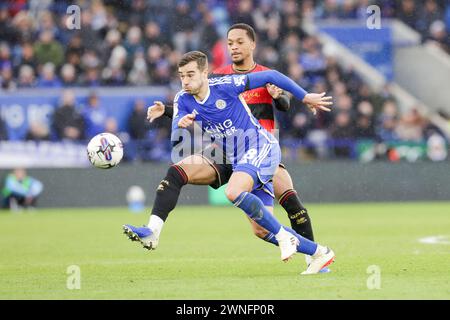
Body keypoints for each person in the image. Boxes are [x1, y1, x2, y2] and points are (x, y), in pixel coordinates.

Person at [124, 51, 335, 274]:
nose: (185, 81)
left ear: (205, 73)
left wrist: (304, 96)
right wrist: (181, 125)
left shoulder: (226, 85)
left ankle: (285, 237)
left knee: (233, 191)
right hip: (237, 159)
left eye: (190, 74)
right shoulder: (181, 99)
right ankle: (319, 252)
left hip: (261, 147)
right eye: (181, 76)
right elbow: (176, 140)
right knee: (261, 229)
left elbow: (271, 75)